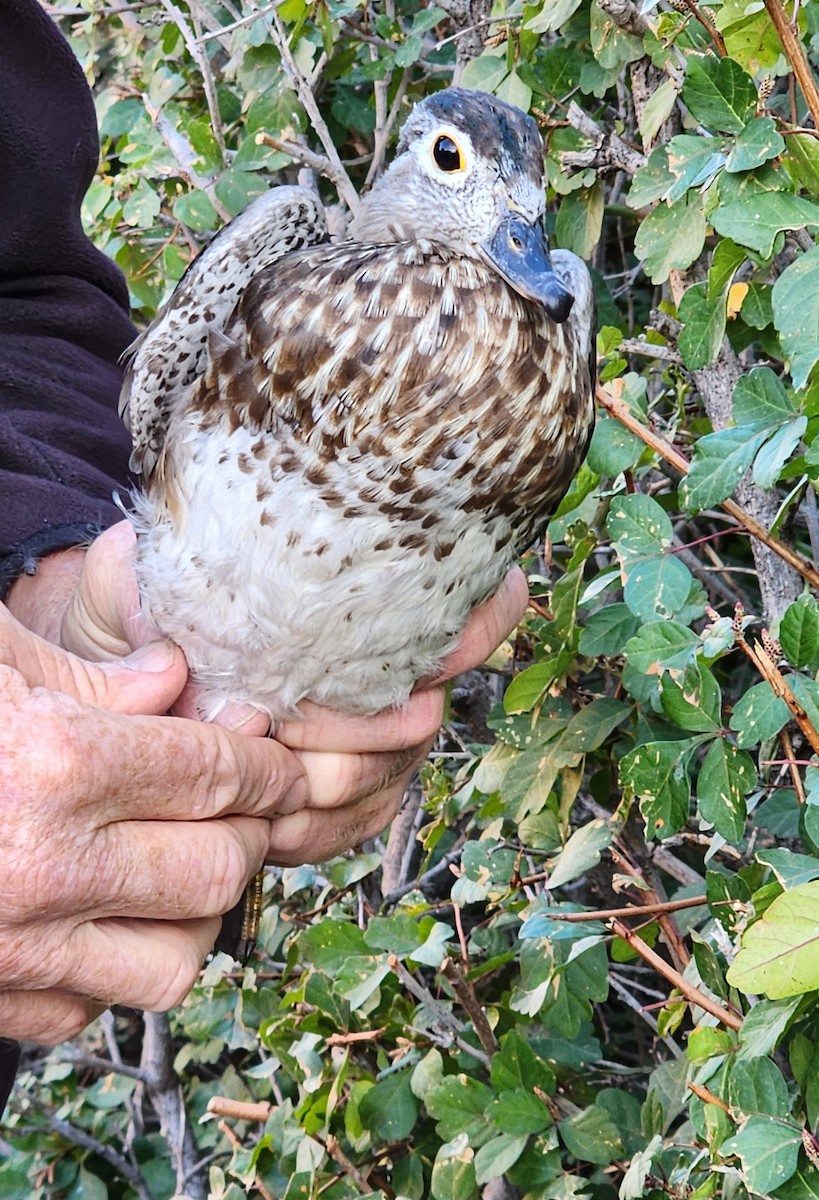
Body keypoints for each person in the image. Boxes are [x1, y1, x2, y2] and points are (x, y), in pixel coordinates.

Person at [0, 0, 527, 1112]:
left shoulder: (530, 331)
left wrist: (43, 582)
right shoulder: (296, 257)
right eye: (451, 166)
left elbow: (24, 303)